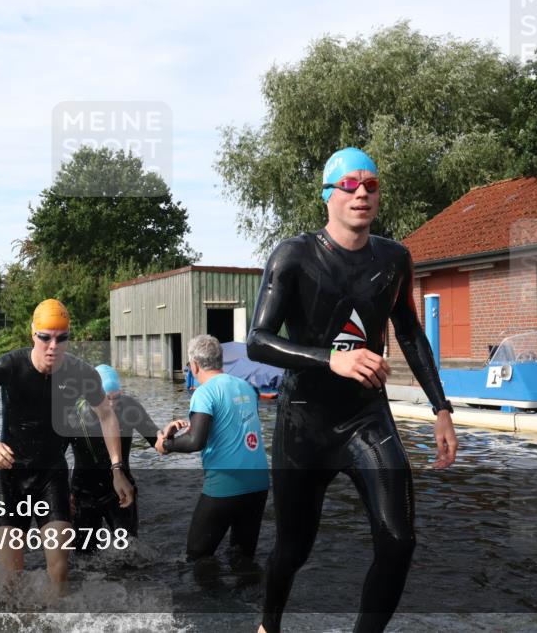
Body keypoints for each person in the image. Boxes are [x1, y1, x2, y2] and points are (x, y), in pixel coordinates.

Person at [247, 147, 458, 633]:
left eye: (371, 184)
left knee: (399, 541)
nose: (362, 192)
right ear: (328, 196)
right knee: (293, 549)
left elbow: (410, 333)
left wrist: (441, 408)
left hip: (366, 418)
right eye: (349, 184)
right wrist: (331, 359)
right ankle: (268, 625)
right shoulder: (294, 255)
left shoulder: (395, 258)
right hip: (304, 422)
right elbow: (257, 342)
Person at [0, 299, 134, 596]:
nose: (53, 345)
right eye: (45, 337)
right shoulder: (9, 365)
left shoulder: (81, 372)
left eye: (61, 338)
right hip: (10, 473)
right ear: (33, 334)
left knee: (60, 570)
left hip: (51, 475)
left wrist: (117, 468)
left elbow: (106, 413)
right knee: (12, 577)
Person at [155, 335, 269, 564]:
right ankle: (248, 597)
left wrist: (166, 444)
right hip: (259, 483)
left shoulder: (203, 393)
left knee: (197, 557)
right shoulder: (245, 386)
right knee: (243, 557)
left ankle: (209, 598)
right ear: (220, 360)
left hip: (226, 482)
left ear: (194, 365)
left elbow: (195, 441)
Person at [67, 364, 158, 544]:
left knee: (129, 551)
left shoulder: (130, 407)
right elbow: (55, 456)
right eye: (106, 398)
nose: (111, 404)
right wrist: (64, 491)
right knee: (85, 556)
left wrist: (168, 436)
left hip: (121, 489)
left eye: (116, 398)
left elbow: (155, 439)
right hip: (84, 492)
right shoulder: (73, 414)